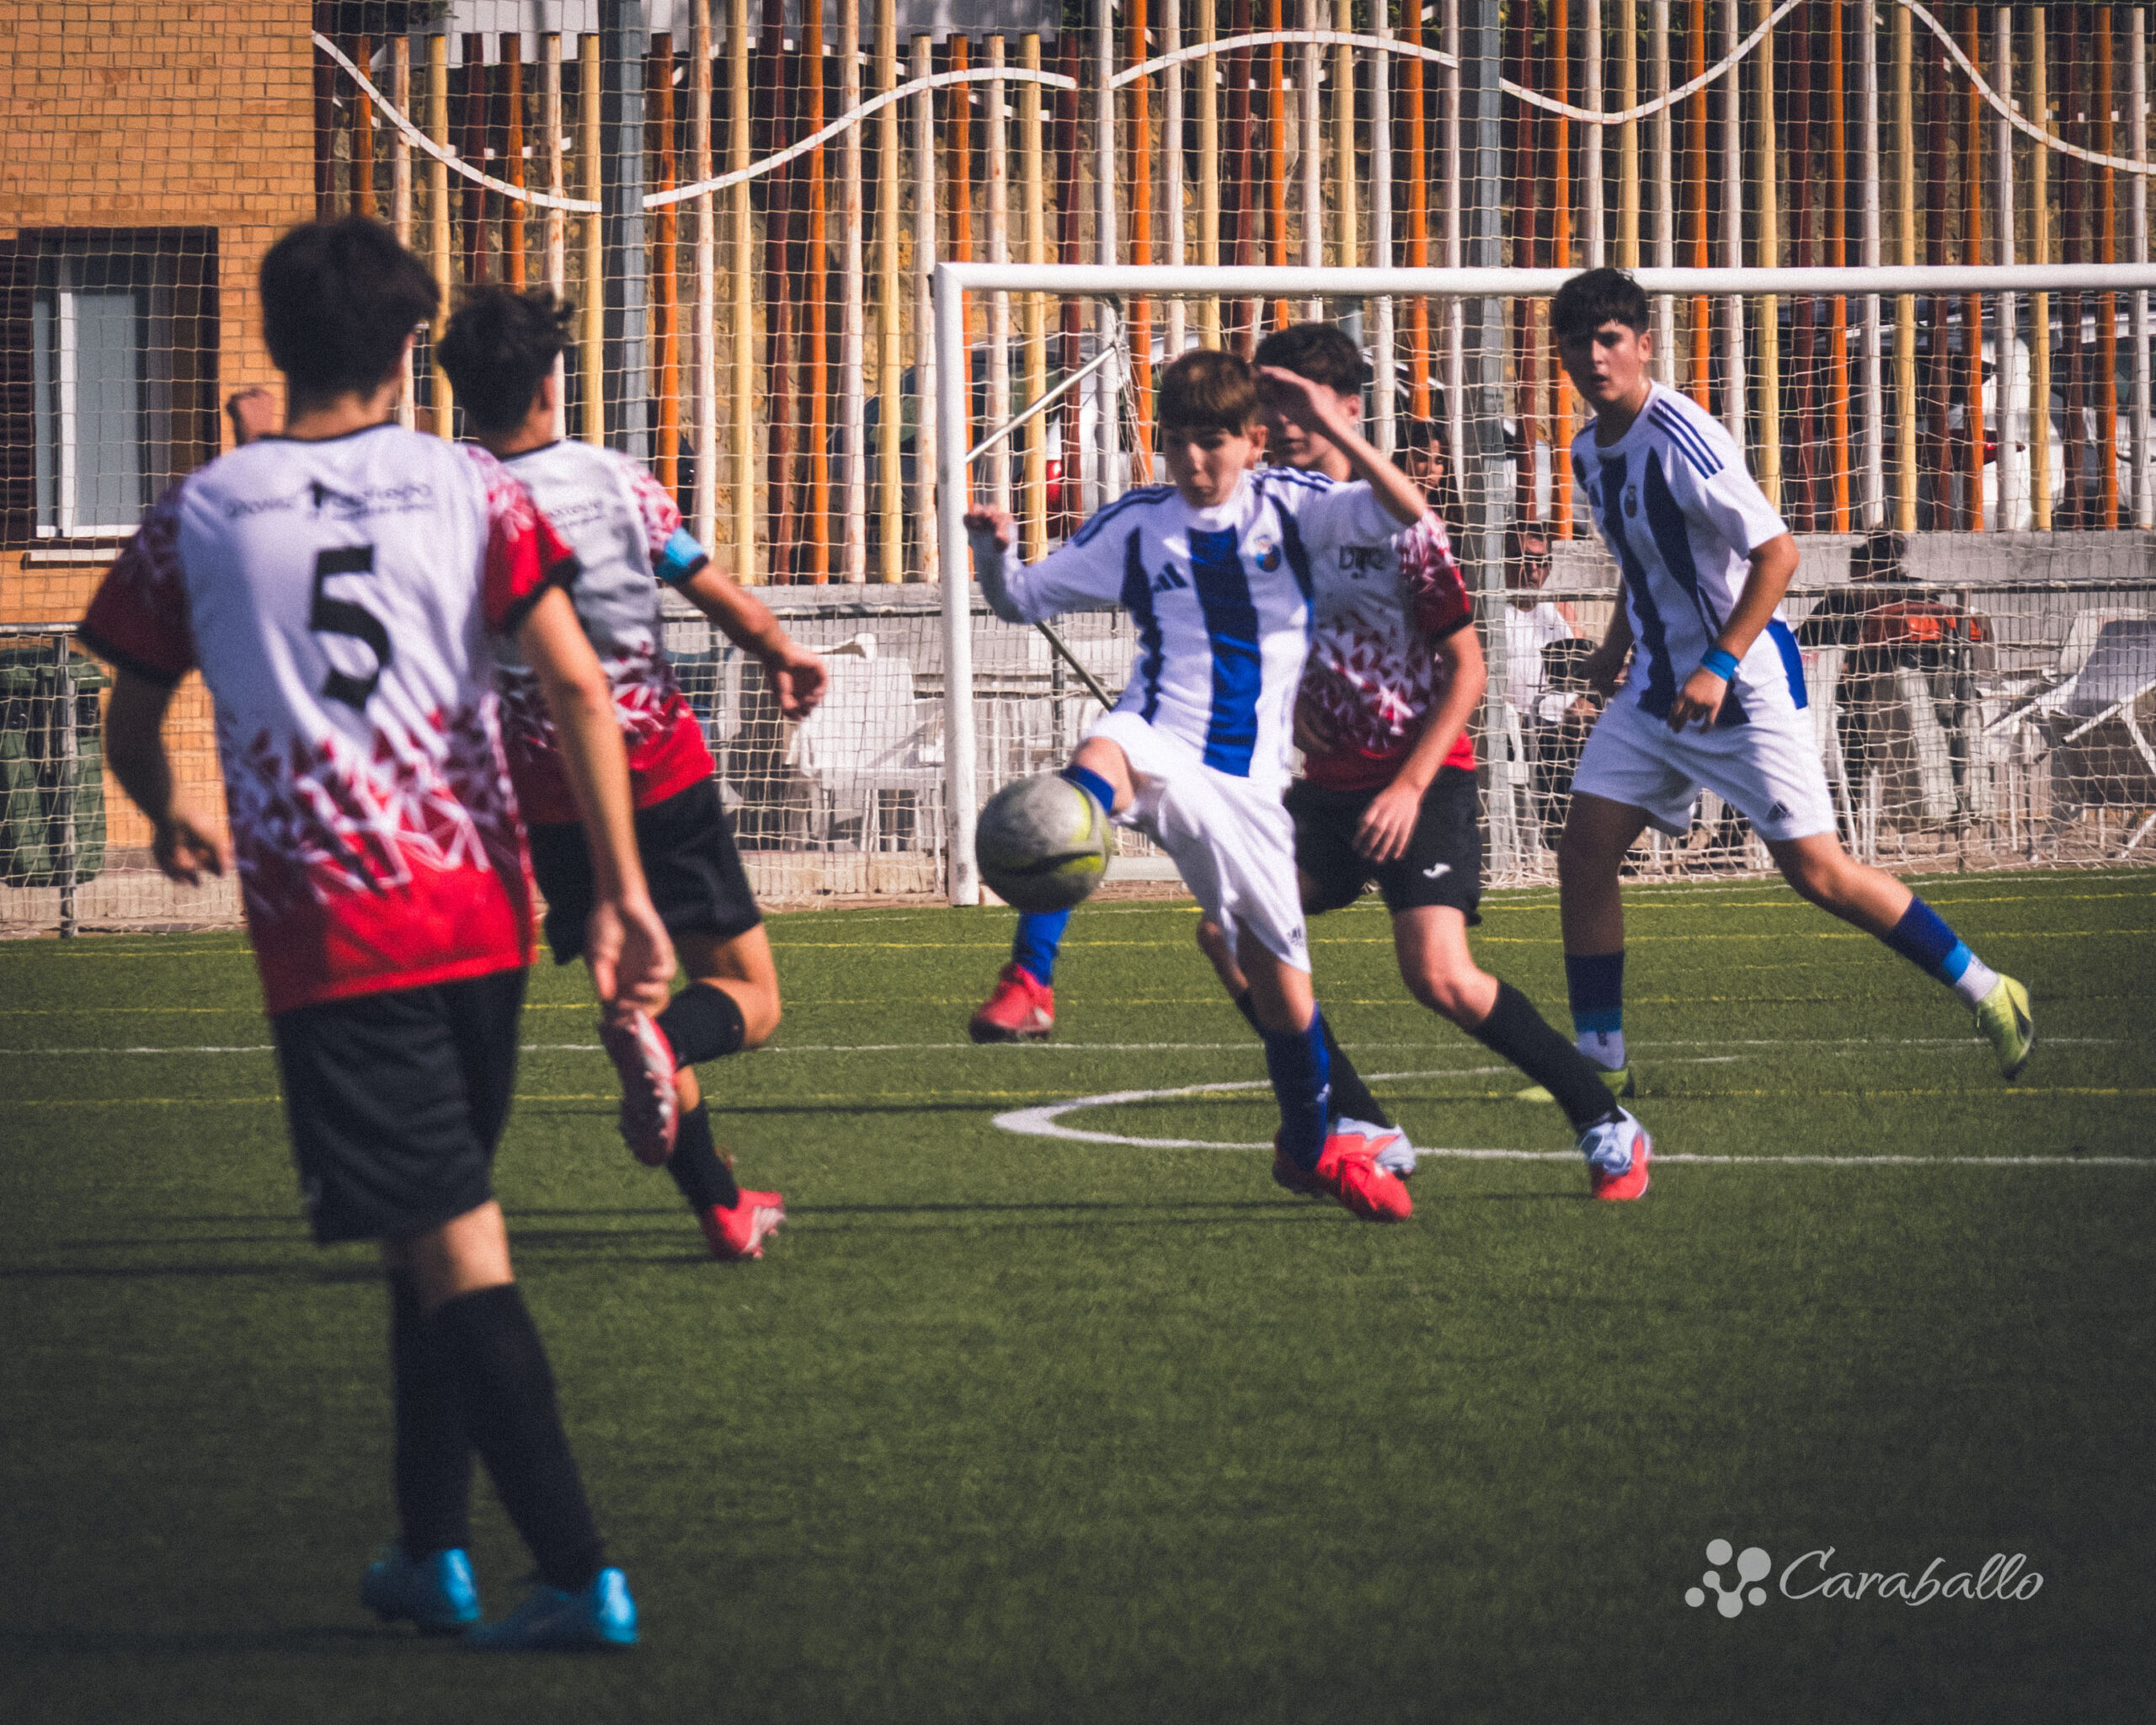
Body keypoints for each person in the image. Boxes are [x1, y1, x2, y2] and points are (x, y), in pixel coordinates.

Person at [79, 216, 671, 1649]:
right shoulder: (472, 487)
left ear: (275, 343)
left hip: (341, 937)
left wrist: (167, 812)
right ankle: (427, 1549)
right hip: (483, 915)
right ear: (413, 350)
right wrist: (622, 889)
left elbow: (132, 711)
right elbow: (578, 685)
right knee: (428, 1228)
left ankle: (578, 1570)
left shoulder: (203, 512)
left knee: (451, 1239)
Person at [1185, 323, 1651, 1197]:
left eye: (1296, 404)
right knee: (1228, 933)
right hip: (1328, 790)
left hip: (1423, 780)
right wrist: (1285, 699)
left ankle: (1605, 1120)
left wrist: (1406, 786)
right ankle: (1360, 1120)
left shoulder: (1401, 524)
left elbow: (1467, 667)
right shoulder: (1268, 516)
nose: (1278, 423)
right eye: (1267, 405)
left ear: (1346, 408)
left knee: (1439, 976)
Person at [1551, 267, 2033, 1108]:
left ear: (1643, 345)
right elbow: (1642, 562)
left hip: (1739, 687)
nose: (1595, 356)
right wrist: (1613, 651)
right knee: (1584, 853)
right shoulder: (1588, 451)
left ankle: (1991, 989)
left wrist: (1718, 664)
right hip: (1656, 692)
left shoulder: (1684, 437)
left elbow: (1778, 553)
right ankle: (1601, 1059)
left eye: (1610, 339)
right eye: (1577, 342)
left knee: (1819, 874)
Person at [963, 348, 1425, 1221]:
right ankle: (1029, 980)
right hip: (1157, 735)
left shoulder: (1296, 506)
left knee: (1284, 993)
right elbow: (1021, 600)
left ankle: (1309, 1147)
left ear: (1254, 442)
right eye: (1176, 442)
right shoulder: (1138, 524)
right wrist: (992, 557)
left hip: (1249, 787)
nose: (1193, 461)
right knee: (1092, 767)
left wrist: (1327, 423)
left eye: (1212, 441)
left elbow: (1407, 510)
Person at [436, 286, 825, 1262]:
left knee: (635, 1003)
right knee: (746, 996)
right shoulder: (614, 481)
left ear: (460, 394)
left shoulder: (452, 501)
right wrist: (780, 650)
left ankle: (723, 1208)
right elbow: (707, 586)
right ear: (551, 381)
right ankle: (674, 1057)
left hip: (548, 792)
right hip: (658, 770)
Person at [1502, 521, 1603, 857]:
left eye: (1541, 561)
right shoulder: (1491, 613)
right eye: (1523, 559)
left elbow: (1582, 668)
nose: (1533, 570)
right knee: (1578, 725)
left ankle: (1615, 834)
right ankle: (1575, 838)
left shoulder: (1556, 611)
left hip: (1570, 713)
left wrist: (1590, 696)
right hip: (1522, 721)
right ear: (1502, 560)